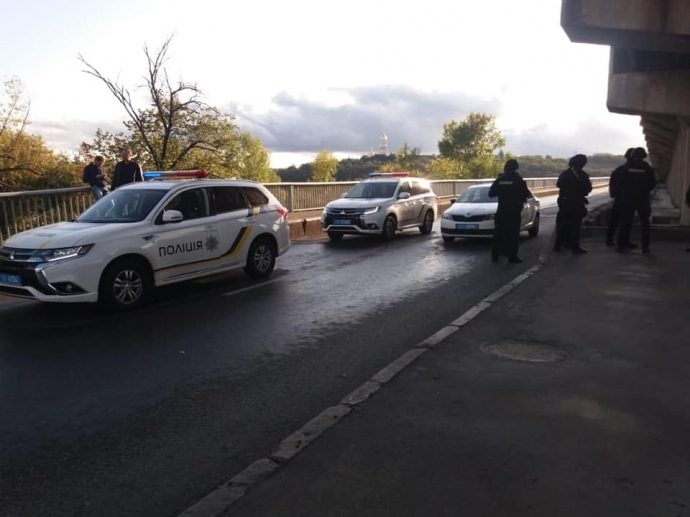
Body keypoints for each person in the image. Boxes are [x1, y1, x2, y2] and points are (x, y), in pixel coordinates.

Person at [488, 159, 532, 264]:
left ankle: (495, 255)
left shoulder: (500, 179)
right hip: (513, 211)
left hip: (501, 211)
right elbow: (526, 194)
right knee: (513, 235)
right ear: (516, 167)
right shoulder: (518, 180)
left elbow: (491, 194)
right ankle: (512, 257)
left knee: (498, 234)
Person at [616, 147, 656, 254]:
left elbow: (620, 183)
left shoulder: (627, 168)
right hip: (642, 199)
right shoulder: (647, 168)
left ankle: (621, 245)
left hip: (628, 199)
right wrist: (644, 190)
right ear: (644, 156)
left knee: (625, 223)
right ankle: (645, 247)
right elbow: (652, 184)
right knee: (645, 224)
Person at [554, 154, 592, 254]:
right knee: (575, 225)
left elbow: (559, 184)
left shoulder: (565, 173)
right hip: (577, 201)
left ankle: (559, 245)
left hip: (565, 201)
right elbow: (588, 188)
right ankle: (574, 246)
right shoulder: (583, 175)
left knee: (562, 224)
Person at [606, 148, 637, 248]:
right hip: (627, 199)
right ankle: (623, 242)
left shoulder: (619, 169)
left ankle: (610, 240)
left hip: (619, 199)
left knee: (614, 220)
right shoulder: (632, 170)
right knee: (626, 222)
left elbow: (612, 185)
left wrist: (615, 195)